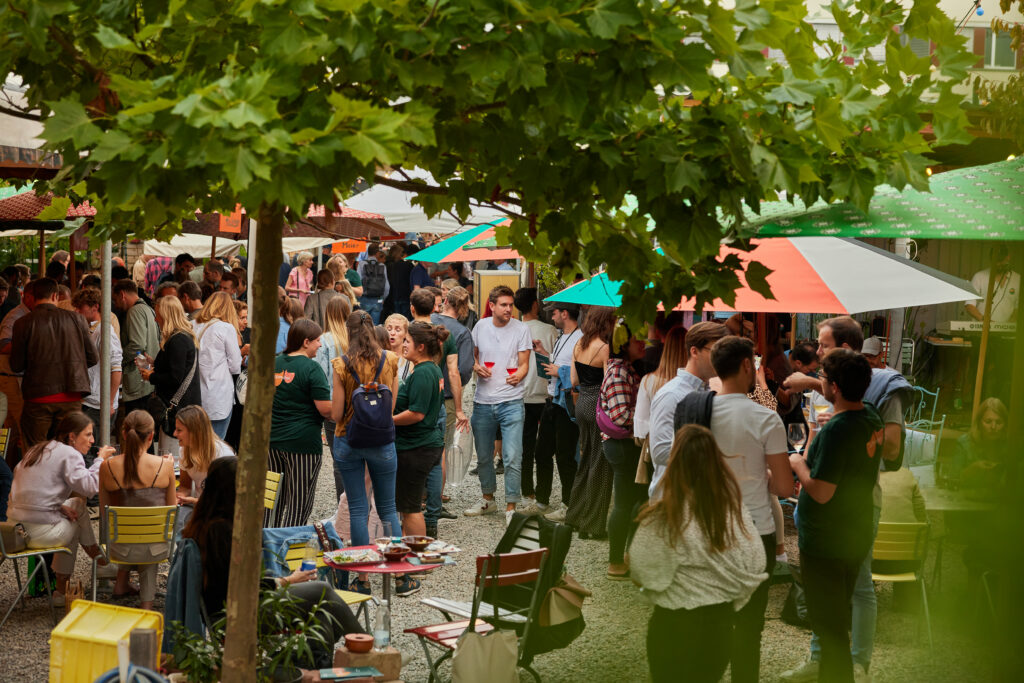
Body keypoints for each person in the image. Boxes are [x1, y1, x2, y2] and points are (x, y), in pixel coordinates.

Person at [181, 457, 366, 667]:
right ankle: (368, 650)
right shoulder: (221, 530)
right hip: (235, 616)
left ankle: (314, 666)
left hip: (237, 607)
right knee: (322, 591)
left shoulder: (210, 520)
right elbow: (238, 588)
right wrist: (287, 580)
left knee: (322, 612)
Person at [630, 424, 767, 683]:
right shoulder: (734, 514)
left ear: (675, 463)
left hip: (673, 624)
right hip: (719, 624)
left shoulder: (663, 517)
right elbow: (756, 562)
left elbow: (642, 571)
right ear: (716, 465)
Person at [789, 350, 883, 683]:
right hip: (855, 533)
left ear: (837, 388)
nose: (821, 383)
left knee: (829, 628)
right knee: (837, 617)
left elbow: (822, 492)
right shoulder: (871, 416)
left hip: (826, 542)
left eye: (825, 379)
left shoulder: (836, 431)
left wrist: (798, 464)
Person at [704, 336, 792, 683]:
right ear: (746, 366)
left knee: (711, 617)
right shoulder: (765, 419)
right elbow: (785, 488)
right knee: (749, 625)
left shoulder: (698, 410)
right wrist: (764, 475)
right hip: (755, 529)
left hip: (711, 527)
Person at [7, 412, 114, 605]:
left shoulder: (38, 449)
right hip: (38, 533)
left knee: (75, 508)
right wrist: (100, 460)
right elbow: (90, 488)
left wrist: (59, 507)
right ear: (71, 437)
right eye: (88, 435)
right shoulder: (69, 454)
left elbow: (28, 491)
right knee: (76, 519)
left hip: (13, 531)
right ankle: (98, 564)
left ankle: (63, 589)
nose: (92, 440)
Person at [330, 310, 402, 595]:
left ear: (348, 333)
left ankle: (362, 578)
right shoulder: (391, 360)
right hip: (382, 441)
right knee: (388, 507)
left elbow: (336, 414)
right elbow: (391, 408)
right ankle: (399, 576)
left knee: (359, 508)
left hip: (348, 440)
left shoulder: (340, 364)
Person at [465, 286, 533, 525]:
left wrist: (520, 375)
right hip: (483, 402)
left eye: (510, 304)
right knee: (483, 456)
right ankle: (488, 498)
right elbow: (471, 355)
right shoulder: (480, 327)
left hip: (512, 401)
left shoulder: (521, 328)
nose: (508, 309)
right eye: (503, 305)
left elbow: (524, 362)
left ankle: (511, 506)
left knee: (513, 455)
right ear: (491, 306)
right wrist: (475, 366)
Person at [99, 410, 177, 610]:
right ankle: (147, 604)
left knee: (135, 535)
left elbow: (104, 512)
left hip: (119, 549)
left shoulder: (107, 467)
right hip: (156, 549)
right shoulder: (165, 466)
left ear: (124, 434)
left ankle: (121, 583)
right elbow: (171, 511)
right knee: (151, 537)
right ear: (151, 436)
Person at [391, 321, 447, 596]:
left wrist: (386, 421)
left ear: (421, 346)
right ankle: (416, 555)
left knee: (410, 505)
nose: (403, 344)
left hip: (417, 446)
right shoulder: (426, 369)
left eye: (407, 341)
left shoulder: (425, 372)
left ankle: (417, 559)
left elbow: (417, 413)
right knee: (408, 504)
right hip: (418, 445)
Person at [11, 278, 99, 446]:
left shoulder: (22, 323)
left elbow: (16, 365)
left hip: (38, 397)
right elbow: (93, 358)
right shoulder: (77, 319)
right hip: (72, 394)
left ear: (32, 296)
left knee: (36, 453)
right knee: (68, 451)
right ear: (55, 296)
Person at [647, 321, 728, 499]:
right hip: (673, 500)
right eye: (716, 351)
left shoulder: (708, 389)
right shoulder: (671, 394)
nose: (722, 358)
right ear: (694, 351)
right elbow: (660, 452)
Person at [410, 290, 465, 537]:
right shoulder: (444, 334)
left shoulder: (408, 332)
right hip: (439, 402)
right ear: (434, 307)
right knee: (436, 458)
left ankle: (412, 510)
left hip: (413, 401)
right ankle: (433, 513)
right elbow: (453, 372)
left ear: (412, 308)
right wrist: (460, 407)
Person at [268, 319, 332, 527]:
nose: (320, 345)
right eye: (317, 340)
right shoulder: (312, 369)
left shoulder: (274, 363)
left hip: (273, 442)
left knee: (272, 500)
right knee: (299, 502)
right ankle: (289, 547)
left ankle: (267, 546)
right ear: (306, 342)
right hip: (303, 445)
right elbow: (325, 409)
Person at [563, 306, 616, 539]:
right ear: (606, 322)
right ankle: (593, 525)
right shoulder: (604, 348)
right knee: (601, 465)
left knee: (585, 460)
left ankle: (574, 516)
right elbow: (608, 383)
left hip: (582, 401)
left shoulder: (579, 343)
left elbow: (573, 379)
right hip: (598, 404)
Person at [600, 326, 647, 579]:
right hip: (621, 445)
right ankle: (615, 561)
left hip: (628, 444)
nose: (642, 342)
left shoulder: (627, 369)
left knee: (636, 501)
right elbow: (620, 416)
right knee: (623, 504)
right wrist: (648, 420)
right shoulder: (619, 372)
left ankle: (627, 555)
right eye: (636, 339)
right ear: (623, 345)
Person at [529, 302, 583, 520]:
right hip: (552, 399)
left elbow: (582, 370)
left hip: (567, 402)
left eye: (554, 312)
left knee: (565, 455)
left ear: (565, 313)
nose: (551, 316)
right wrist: (544, 354)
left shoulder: (580, 339)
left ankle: (568, 504)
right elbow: (560, 362)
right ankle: (541, 501)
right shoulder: (563, 336)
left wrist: (558, 370)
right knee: (542, 452)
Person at [512, 288, 558, 514]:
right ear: (535, 305)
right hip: (545, 394)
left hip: (520, 394)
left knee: (524, 446)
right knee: (545, 449)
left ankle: (526, 491)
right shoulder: (550, 330)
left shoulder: (514, 331)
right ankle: (542, 495)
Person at [140, 296, 202, 460]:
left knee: (172, 460)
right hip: (183, 408)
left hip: (178, 410)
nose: (155, 318)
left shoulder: (178, 340)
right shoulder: (181, 337)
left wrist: (151, 376)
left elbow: (175, 378)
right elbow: (177, 367)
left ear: (166, 315)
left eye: (158, 314)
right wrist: (154, 363)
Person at [314, 296, 352, 499]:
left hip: (332, 407)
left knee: (339, 459)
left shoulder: (324, 341)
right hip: (355, 406)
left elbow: (320, 376)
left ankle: (342, 504)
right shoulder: (354, 339)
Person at [73, 288, 123, 443]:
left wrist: (108, 402)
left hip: (98, 405)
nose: (77, 310)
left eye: (81, 307)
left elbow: (116, 368)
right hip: (91, 401)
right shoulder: (93, 329)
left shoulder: (105, 331)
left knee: (92, 451)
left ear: (95, 307)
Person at [191, 292, 243, 439]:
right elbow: (235, 366)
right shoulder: (226, 328)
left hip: (195, 394)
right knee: (216, 445)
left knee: (198, 444)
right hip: (218, 396)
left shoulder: (192, 324)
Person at [173, 404, 234, 528]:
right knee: (174, 519)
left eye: (179, 430)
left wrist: (195, 501)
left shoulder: (223, 455)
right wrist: (180, 497)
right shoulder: (184, 450)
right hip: (201, 508)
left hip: (222, 514)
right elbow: (185, 486)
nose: (174, 434)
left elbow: (225, 500)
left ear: (195, 432)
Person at [113, 279, 160, 417]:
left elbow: (137, 345)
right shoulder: (148, 309)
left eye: (115, 300)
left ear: (122, 295)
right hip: (146, 380)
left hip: (138, 382)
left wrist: (118, 361)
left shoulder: (134, 311)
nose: (116, 305)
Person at [951, 397, 1009, 488]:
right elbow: (952, 479)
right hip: (967, 498)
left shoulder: (1010, 445)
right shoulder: (964, 443)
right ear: (979, 423)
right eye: (988, 421)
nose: (993, 427)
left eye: (999, 422)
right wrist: (971, 470)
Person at [965, 244, 1018, 323]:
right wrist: (985, 321)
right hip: (981, 330)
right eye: (995, 261)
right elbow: (969, 305)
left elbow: (1019, 308)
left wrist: (1009, 324)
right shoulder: (979, 276)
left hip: (1008, 333)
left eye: (1000, 261)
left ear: (1008, 257)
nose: (997, 264)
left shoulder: (1018, 279)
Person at [357, 244, 389, 323]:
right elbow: (387, 287)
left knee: (363, 323)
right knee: (374, 325)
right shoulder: (382, 266)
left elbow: (358, 282)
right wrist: (383, 298)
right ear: (377, 253)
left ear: (368, 252)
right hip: (377, 301)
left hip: (364, 300)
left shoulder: (361, 264)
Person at [384, 313, 414, 381]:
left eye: (398, 330)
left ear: (406, 334)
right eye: (389, 329)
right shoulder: (378, 357)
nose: (392, 333)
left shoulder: (410, 362)